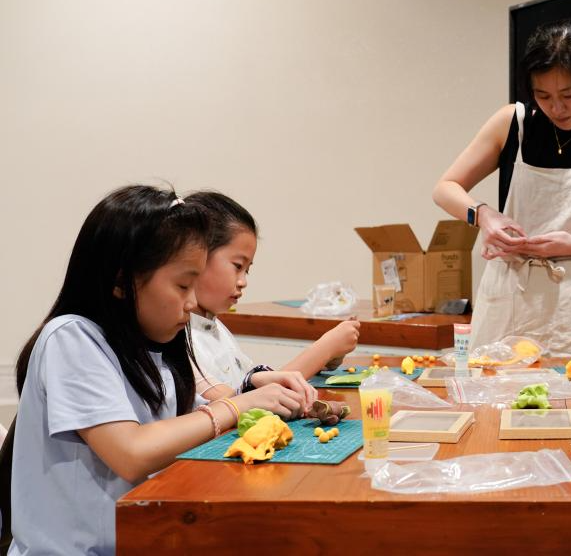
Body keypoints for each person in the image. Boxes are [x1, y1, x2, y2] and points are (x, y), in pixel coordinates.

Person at [5, 186, 311, 555]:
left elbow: (194, 415)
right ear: (121, 282)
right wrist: (238, 406)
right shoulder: (71, 337)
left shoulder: (151, 348)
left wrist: (257, 390)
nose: (192, 302)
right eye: (183, 285)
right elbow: (131, 453)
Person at [433, 19, 571, 356]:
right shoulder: (513, 123)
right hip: (508, 298)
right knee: (495, 385)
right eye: (543, 96)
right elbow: (445, 188)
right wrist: (484, 216)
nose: (556, 108)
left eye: (569, 95)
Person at [184, 191, 361, 401]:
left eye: (247, 270)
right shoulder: (180, 338)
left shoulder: (214, 327)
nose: (243, 281)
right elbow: (243, 401)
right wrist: (325, 348)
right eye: (237, 266)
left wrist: (326, 357)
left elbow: (253, 387)